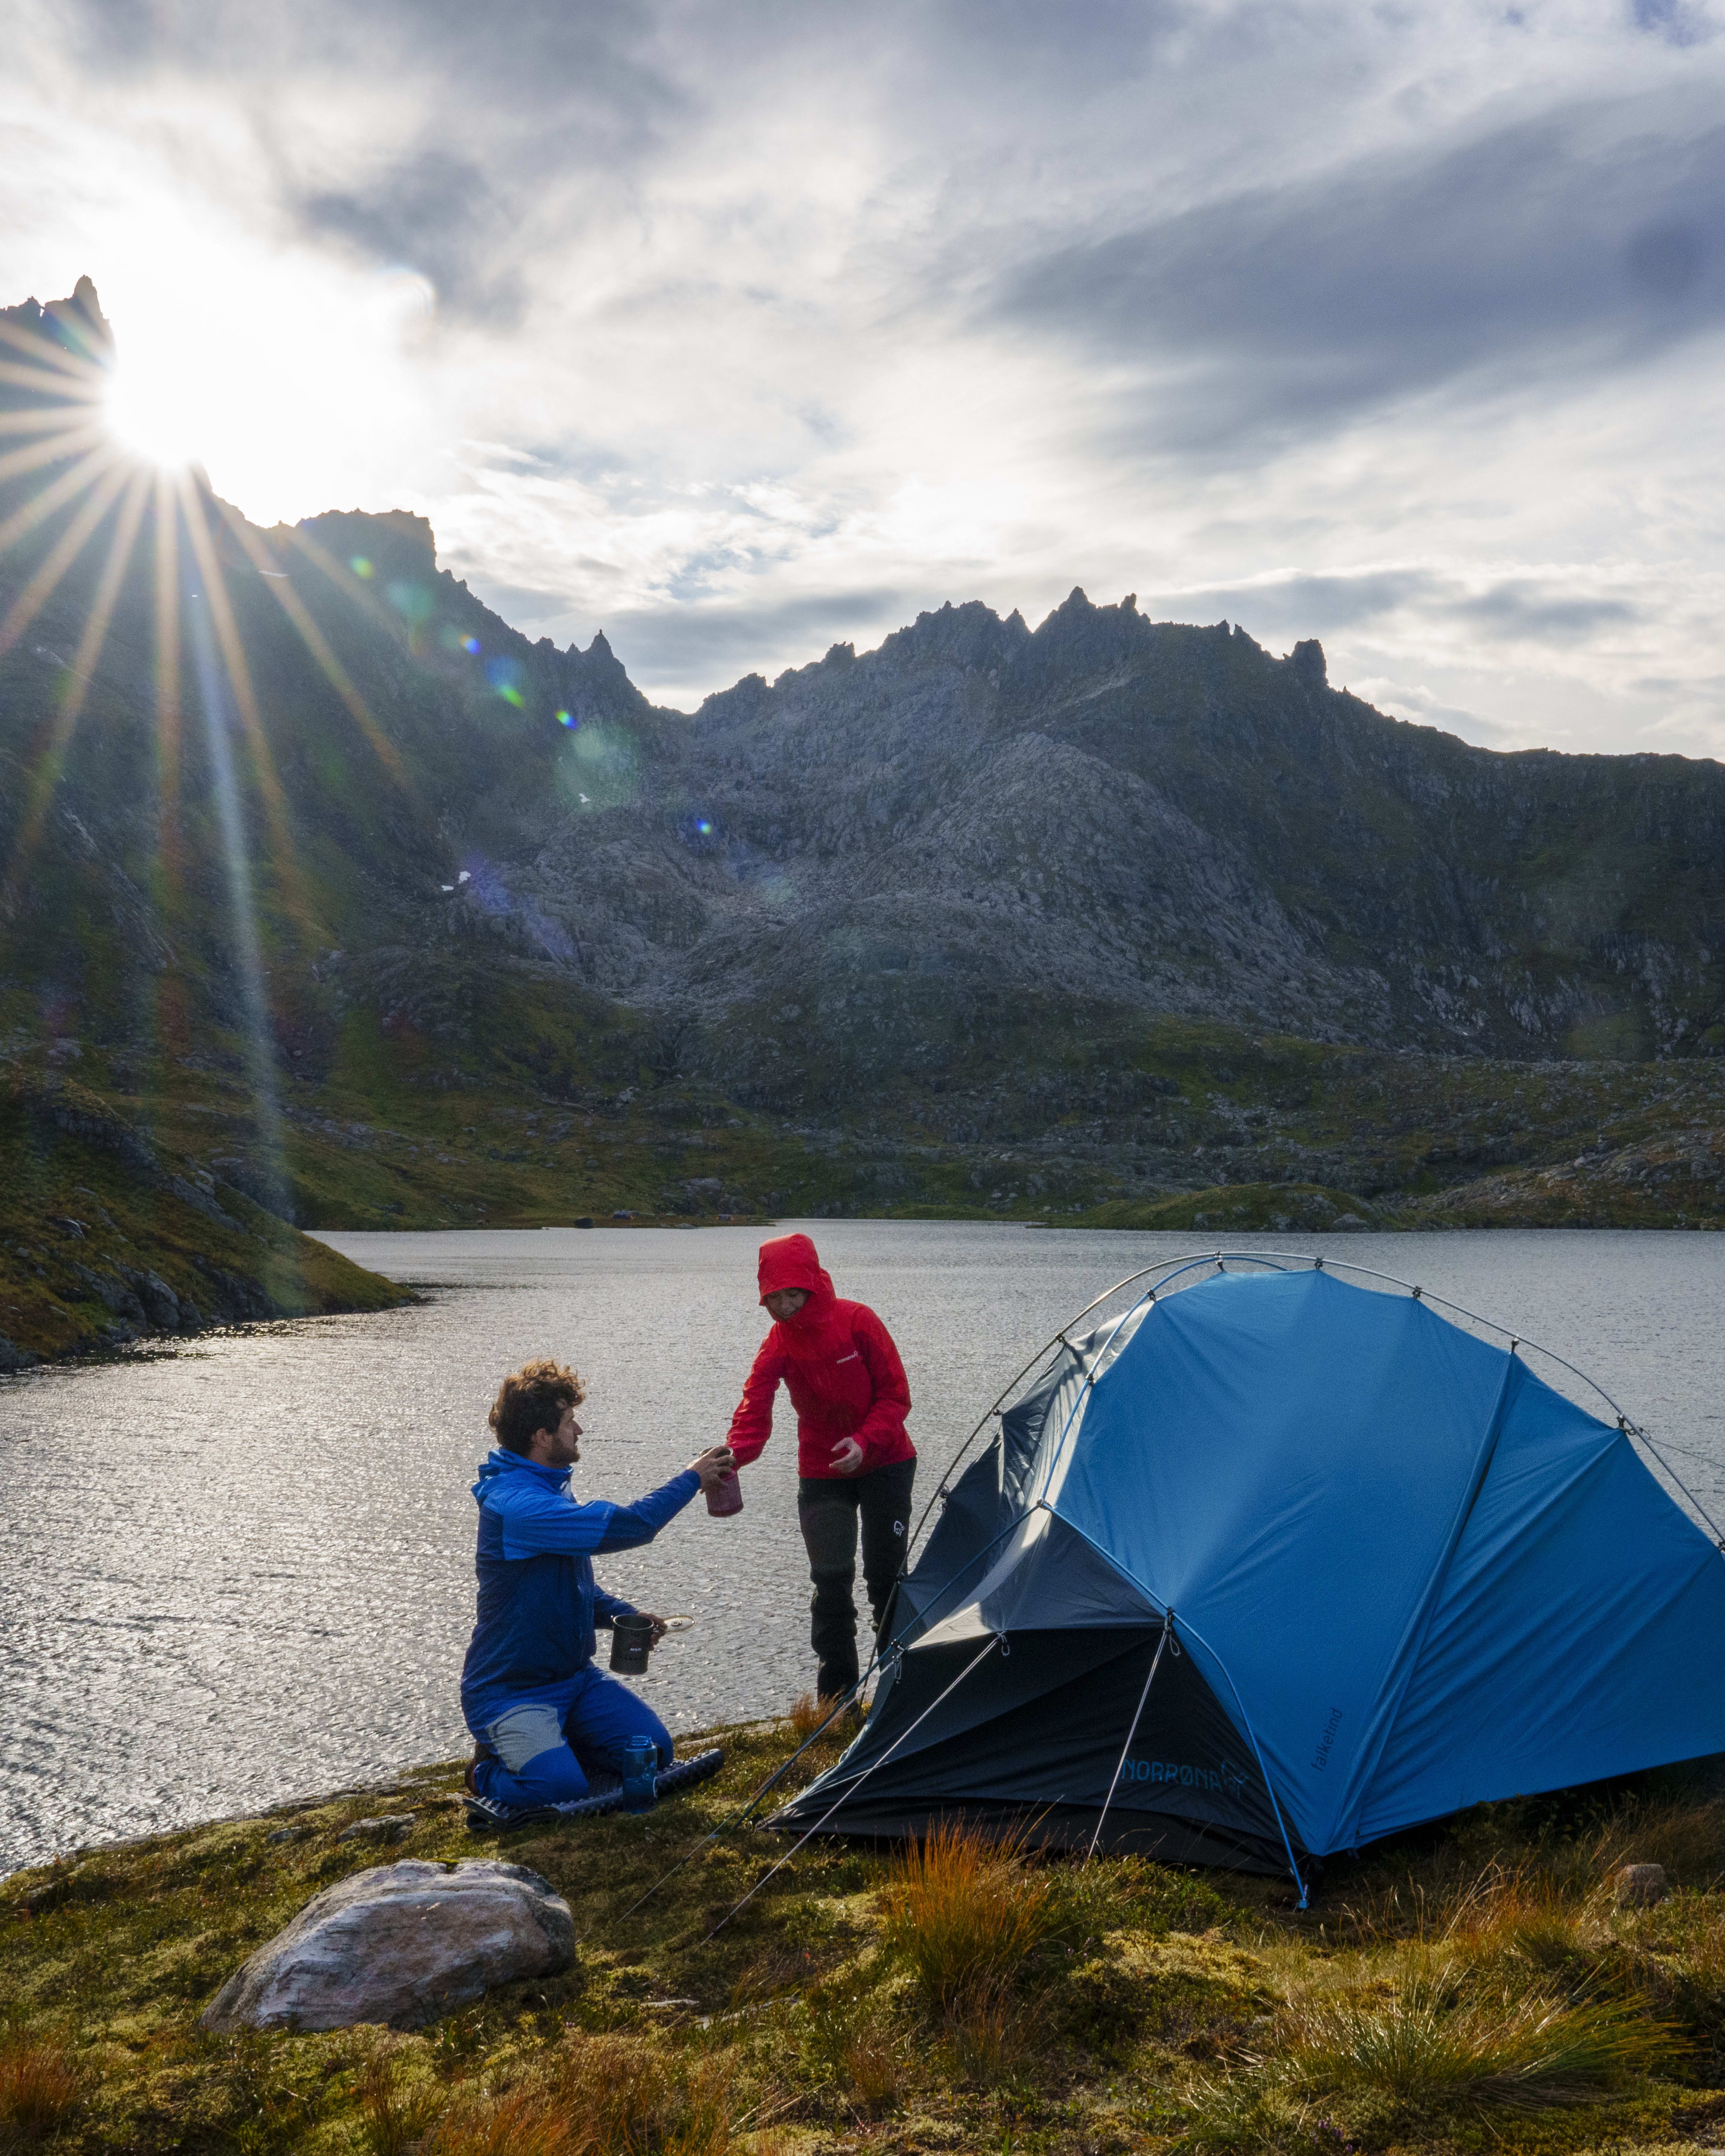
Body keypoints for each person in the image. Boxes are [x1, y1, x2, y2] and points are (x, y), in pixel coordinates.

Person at [461, 1356, 734, 1815]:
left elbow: (568, 1588)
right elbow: (634, 1526)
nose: (580, 1430)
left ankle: (554, 1746)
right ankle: (484, 1770)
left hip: (575, 1679)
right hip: (511, 1690)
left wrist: (622, 1615)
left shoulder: (550, 1487)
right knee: (558, 1788)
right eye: (570, 1422)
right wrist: (693, 1478)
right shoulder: (519, 1506)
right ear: (541, 1436)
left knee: (652, 1753)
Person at [725, 1233, 915, 1703]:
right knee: (830, 1585)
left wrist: (864, 1442)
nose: (785, 1307)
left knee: (886, 1578)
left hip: (886, 1462)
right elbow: (754, 1407)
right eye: (774, 1297)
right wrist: (732, 1458)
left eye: (793, 1294)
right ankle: (837, 1704)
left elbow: (896, 1396)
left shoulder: (858, 1321)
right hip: (822, 1471)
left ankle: (904, 1693)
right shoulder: (778, 1344)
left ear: (813, 1284)